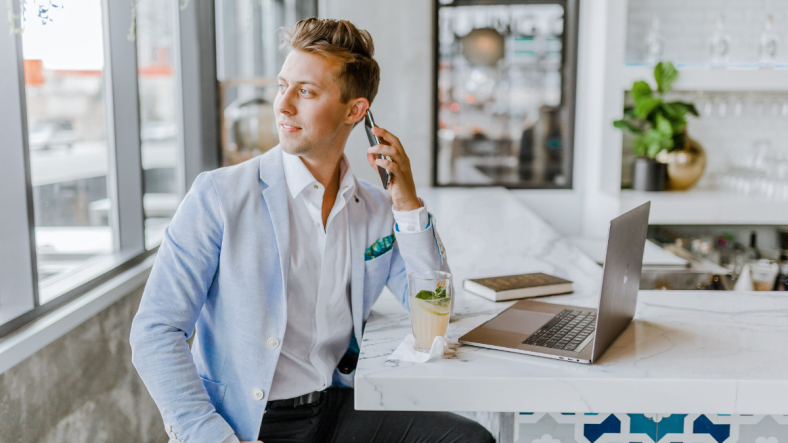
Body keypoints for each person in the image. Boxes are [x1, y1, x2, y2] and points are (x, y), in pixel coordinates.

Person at [129, 17, 494, 443]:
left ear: (356, 111)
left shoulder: (375, 210)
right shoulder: (218, 197)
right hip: (247, 421)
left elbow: (433, 309)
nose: (282, 106)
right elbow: (155, 331)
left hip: (334, 407)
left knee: (469, 440)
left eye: (305, 92)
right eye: (282, 86)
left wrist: (406, 203)